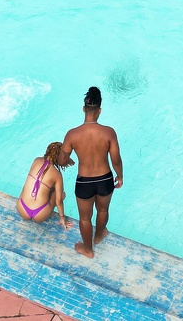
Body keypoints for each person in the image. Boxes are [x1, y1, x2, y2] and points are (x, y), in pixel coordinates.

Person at [60, 87, 122, 259]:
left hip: (84, 182)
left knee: (85, 218)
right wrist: (120, 176)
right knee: (103, 210)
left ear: (83, 109)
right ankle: (99, 235)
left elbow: (62, 160)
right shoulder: (109, 132)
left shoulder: (72, 134)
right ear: (99, 110)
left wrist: (69, 159)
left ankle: (88, 250)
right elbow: (116, 159)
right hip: (105, 179)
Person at [16, 142, 73, 229]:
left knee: (33, 183)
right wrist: (62, 219)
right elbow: (59, 201)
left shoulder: (36, 160)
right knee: (60, 194)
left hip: (21, 208)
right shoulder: (57, 175)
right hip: (40, 214)